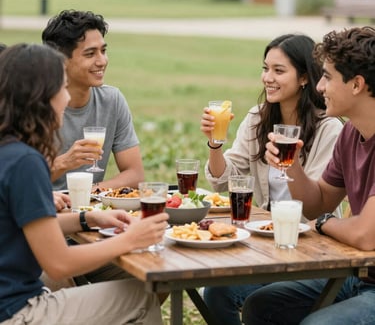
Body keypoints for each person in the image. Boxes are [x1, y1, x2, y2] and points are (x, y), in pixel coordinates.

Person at [0, 43, 168, 325]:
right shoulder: (25, 163)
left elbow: (31, 224)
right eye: (62, 88)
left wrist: (87, 218)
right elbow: (59, 263)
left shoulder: (8, 151)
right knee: (141, 296)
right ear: (41, 97)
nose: (67, 99)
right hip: (17, 311)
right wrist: (131, 238)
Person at [200, 34, 344, 325]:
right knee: (216, 291)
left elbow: (314, 204)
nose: (268, 78)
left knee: (257, 303)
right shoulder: (257, 117)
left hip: (310, 244)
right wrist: (216, 143)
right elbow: (224, 180)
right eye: (265, 69)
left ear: (304, 77)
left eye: (279, 71)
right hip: (264, 240)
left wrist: (289, 165)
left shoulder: (329, 128)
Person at [241, 26, 375, 325]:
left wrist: (326, 223)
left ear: (356, 85)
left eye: (327, 76)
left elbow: (365, 235)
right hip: (360, 276)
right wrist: (291, 167)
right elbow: (317, 204)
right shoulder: (351, 133)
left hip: (366, 275)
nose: (319, 87)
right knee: (262, 305)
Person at [41, 10, 144, 203]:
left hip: (91, 212)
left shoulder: (111, 100)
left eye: (103, 51)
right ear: (61, 61)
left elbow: (135, 174)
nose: (102, 61)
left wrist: (89, 192)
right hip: (42, 212)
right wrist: (64, 163)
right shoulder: (32, 106)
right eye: (90, 53)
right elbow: (18, 182)